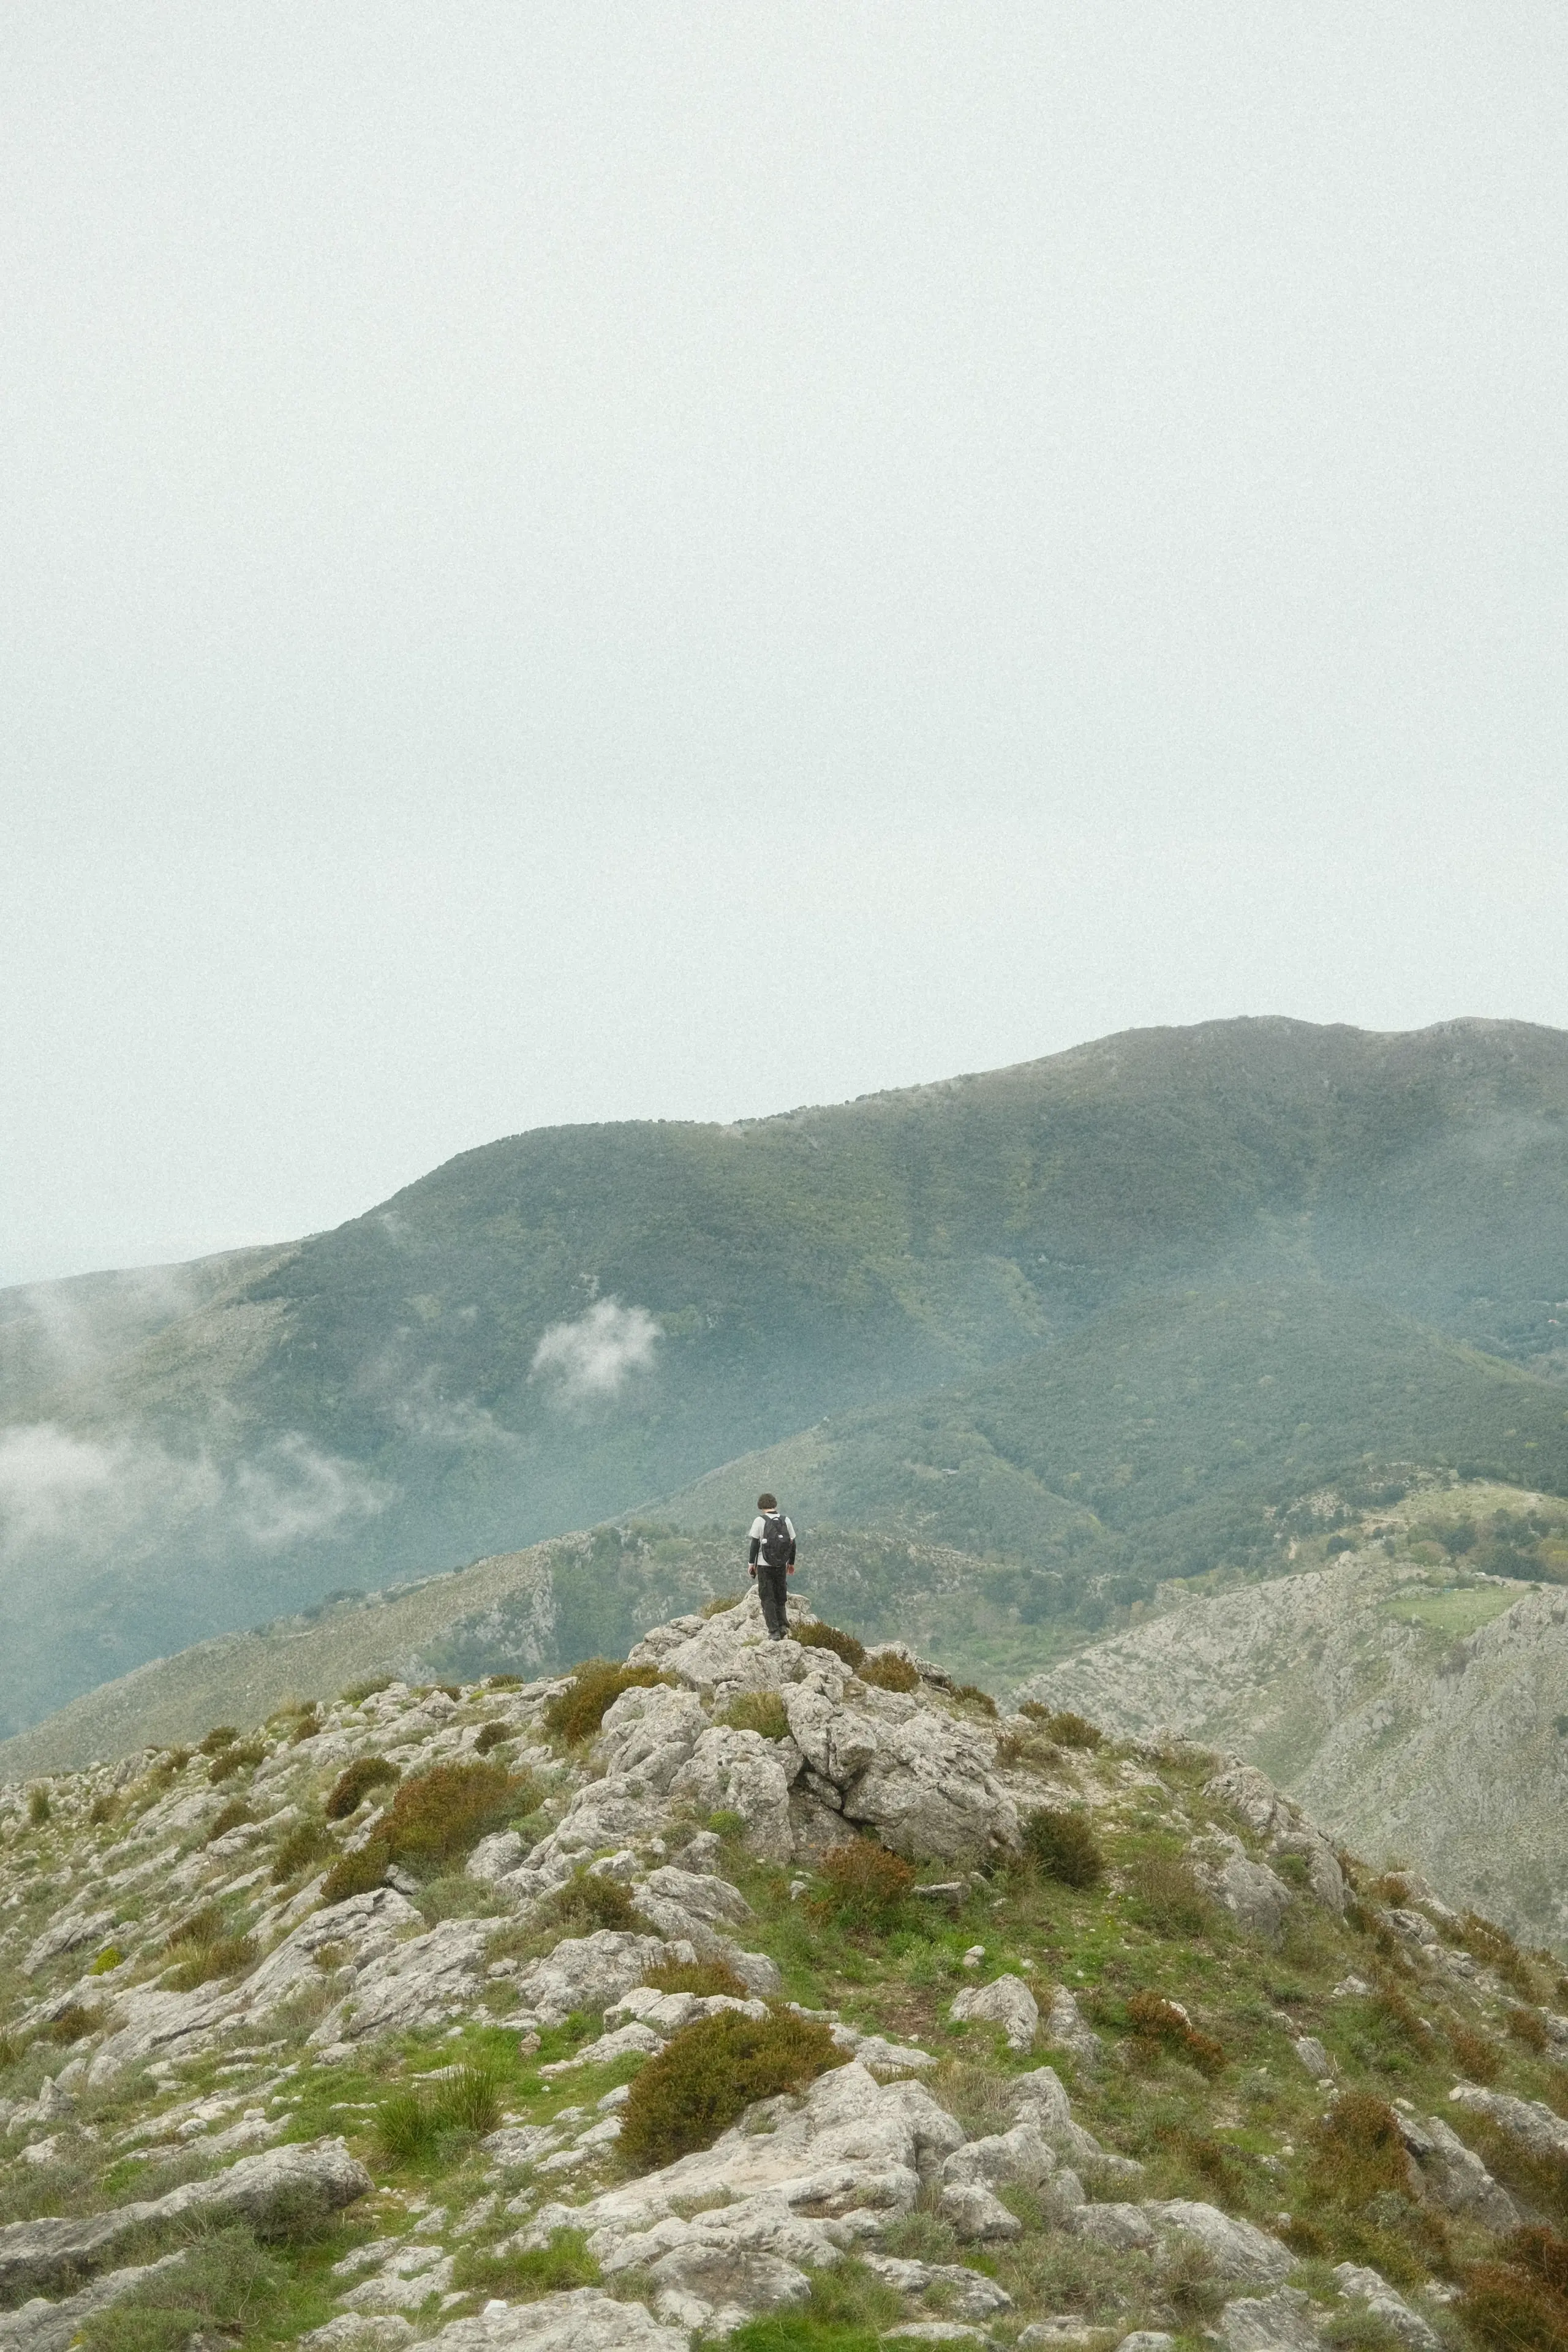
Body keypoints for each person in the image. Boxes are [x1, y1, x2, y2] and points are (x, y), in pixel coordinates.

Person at [747, 1490, 797, 1640]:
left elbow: (755, 1544)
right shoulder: (785, 1520)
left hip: (764, 1565)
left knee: (767, 1597)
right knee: (780, 1595)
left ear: (761, 1506)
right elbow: (792, 1543)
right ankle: (783, 1627)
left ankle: (773, 1631)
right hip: (781, 1565)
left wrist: (752, 1564)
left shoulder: (760, 1521)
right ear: (775, 1504)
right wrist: (791, 1563)